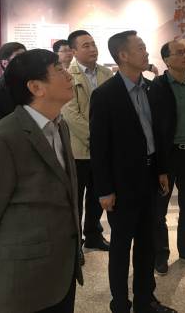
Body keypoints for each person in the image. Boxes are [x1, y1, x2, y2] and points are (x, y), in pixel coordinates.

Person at [0, 49, 82, 313]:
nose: (68, 75)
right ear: (36, 87)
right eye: (59, 69)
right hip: (19, 281)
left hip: (61, 274)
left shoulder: (60, 126)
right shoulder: (4, 139)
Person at [90, 30, 176, 313]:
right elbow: (99, 147)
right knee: (121, 246)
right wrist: (104, 189)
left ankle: (145, 299)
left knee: (147, 242)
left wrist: (162, 169)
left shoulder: (152, 89)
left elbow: (158, 133)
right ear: (123, 55)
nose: (146, 51)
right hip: (122, 183)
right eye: (140, 48)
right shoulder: (105, 95)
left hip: (150, 178)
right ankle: (120, 304)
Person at [149, 40, 185, 276]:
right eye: (179, 53)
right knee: (159, 209)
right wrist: (159, 164)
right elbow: (154, 126)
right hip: (167, 155)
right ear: (166, 60)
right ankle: (160, 255)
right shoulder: (158, 86)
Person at [61, 30, 113, 254]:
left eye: (93, 44)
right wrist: (98, 138)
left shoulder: (106, 73)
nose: (92, 49)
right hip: (79, 150)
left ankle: (93, 235)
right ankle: (75, 245)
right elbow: (71, 115)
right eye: (86, 45)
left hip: (102, 152)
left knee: (97, 195)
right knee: (75, 198)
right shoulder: (67, 76)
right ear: (73, 51)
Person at [0, 41, 26, 128]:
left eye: (25, 57)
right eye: (19, 57)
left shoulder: (31, 84)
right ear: (5, 63)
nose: (24, 61)